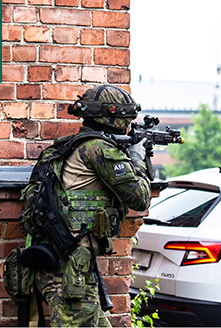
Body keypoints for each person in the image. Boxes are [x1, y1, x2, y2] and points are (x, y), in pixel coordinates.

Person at [34, 84, 151, 327]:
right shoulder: (98, 148)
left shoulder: (70, 145)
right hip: (69, 268)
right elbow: (139, 197)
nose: (129, 126)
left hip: (69, 262)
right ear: (113, 119)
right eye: (126, 119)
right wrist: (138, 156)